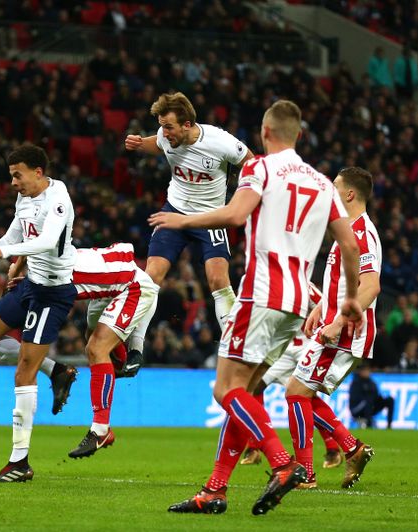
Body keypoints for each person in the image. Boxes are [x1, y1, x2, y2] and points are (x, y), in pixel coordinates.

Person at [150, 100, 364, 515]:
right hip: (299, 302)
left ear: (265, 133)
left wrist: (181, 221)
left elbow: (234, 214)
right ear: (298, 134)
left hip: (262, 294)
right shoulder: (322, 183)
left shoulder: (260, 168)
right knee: (246, 391)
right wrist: (351, 298)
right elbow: (350, 244)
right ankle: (215, 490)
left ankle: (282, 464)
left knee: (226, 389)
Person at [0, 144, 77, 483]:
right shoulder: (25, 198)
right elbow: (15, 235)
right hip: (29, 284)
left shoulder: (58, 199)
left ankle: (19, 462)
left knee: (24, 374)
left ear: (38, 172)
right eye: (12, 176)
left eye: (17, 175)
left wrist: (6, 252)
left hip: (51, 292)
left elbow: (47, 241)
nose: (13, 182)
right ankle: (56, 371)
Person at [125, 92, 253, 370]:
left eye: (169, 126)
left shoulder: (221, 142)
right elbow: (157, 144)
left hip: (210, 217)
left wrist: (244, 197)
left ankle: (234, 349)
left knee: (218, 279)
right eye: (161, 126)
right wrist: (139, 144)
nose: (164, 132)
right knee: (151, 277)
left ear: (187, 124)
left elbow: (252, 164)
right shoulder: (166, 136)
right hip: (174, 212)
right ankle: (135, 349)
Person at [280, 166, 381, 490]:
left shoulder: (361, 233)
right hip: (334, 323)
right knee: (302, 393)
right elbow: (342, 283)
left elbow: (371, 286)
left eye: (335, 187)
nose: (330, 193)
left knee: (296, 392)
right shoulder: (348, 230)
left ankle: (305, 474)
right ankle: (352, 448)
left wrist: (337, 322)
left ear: (350, 194)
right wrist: (322, 307)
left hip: (345, 332)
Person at [62, 244, 159, 459]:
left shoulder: (60, 272)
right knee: (92, 343)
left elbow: (148, 287)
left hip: (132, 288)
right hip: (106, 291)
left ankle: (100, 429)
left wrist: (137, 346)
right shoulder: (67, 261)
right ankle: (119, 367)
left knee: (97, 349)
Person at [239, 284, 344, 471]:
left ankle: (333, 448)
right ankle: (254, 447)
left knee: (304, 397)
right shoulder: (265, 283)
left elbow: (325, 305)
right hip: (283, 350)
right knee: (254, 387)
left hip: (305, 347)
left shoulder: (304, 285)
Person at [349, 364, 395, 428]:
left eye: (368, 370)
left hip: (370, 407)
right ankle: (369, 424)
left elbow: (376, 396)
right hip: (357, 409)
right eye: (365, 370)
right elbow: (355, 399)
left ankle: (389, 425)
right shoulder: (356, 383)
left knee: (390, 400)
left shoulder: (371, 382)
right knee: (367, 400)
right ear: (361, 372)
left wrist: (380, 399)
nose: (367, 372)